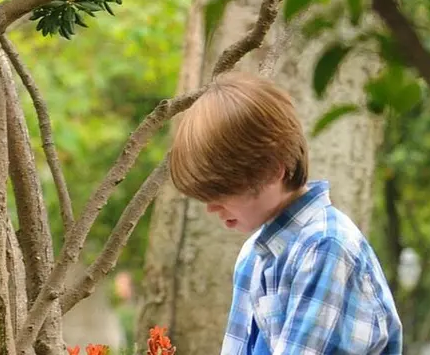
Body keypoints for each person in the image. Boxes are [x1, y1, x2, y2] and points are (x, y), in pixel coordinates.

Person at [168, 72, 402, 355]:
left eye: (222, 191)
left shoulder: (325, 248)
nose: (212, 207)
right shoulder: (252, 257)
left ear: (271, 171)